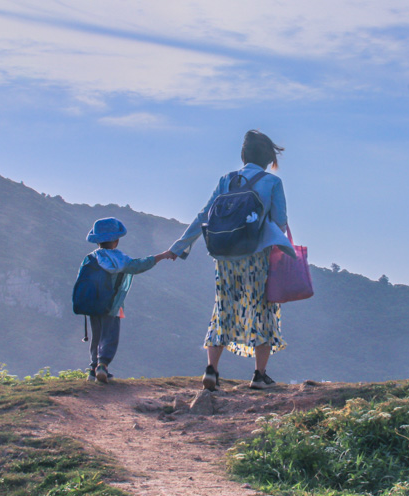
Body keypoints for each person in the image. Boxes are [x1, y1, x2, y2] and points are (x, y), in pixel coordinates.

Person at [168, 130, 293, 391]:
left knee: (223, 308)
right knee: (261, 309)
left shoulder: (226, 180)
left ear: (243, 155)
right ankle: (259, 376)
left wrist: (180, 246)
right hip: (255, 256)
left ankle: (212, 370)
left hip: (224, 256)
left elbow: (205, 214)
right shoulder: (271, 183)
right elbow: (280, 222)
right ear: (269, 159)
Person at [81, 217, 175, 383]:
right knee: (109, 335)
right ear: (116, 241)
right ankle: (102, 365)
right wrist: (160, 256)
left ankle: (92, 370)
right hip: (114, 305)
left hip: (92, 305)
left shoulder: (90, 258)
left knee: (96, 336)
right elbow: (138, 265)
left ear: (97, 241)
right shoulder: (119, 258)